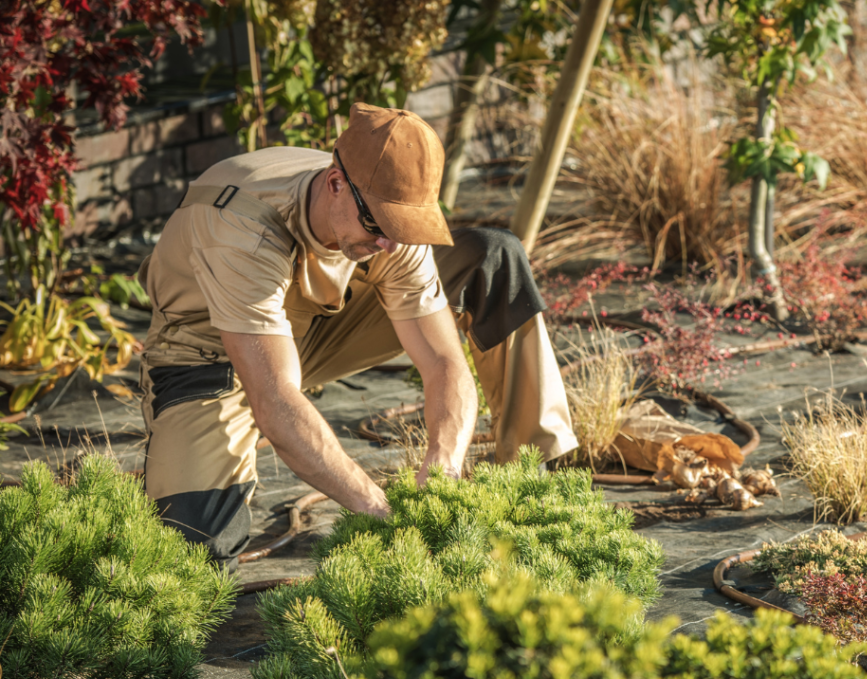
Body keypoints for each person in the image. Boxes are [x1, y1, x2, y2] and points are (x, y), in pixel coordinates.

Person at [137, 102, 578, 570]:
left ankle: (534, 486)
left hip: (317, 327)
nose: (391, 243)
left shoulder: (385, 215)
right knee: (193, 544)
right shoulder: (242, 229)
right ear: (334, 185)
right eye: (381, 226)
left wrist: (443, 473)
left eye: (404, 227)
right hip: (210, 353)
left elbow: (443, 361)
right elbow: (274, 401)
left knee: (493, 258)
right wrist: (380, 509)